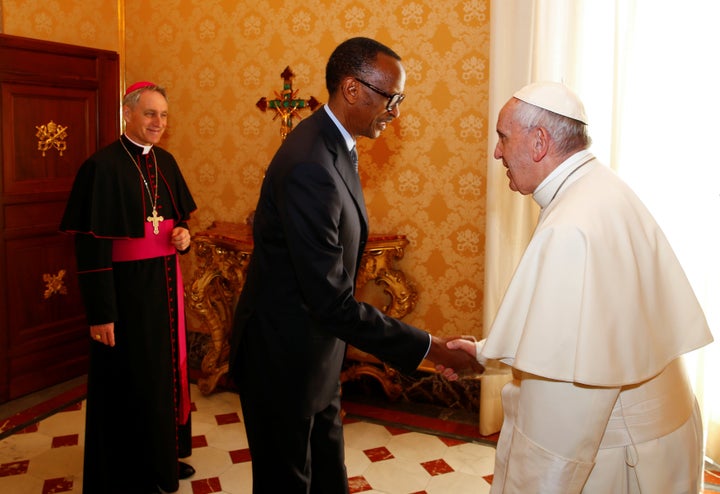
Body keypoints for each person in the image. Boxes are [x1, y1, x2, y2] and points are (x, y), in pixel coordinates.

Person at [229, 37, 483, 494]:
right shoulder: (310, 162)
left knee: (327, 474)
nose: (396, 112)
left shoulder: (334, 144)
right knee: (288, 482)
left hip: (316, 353)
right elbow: (331, 300)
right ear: (352, 88)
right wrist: (430, 348)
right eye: (392, 98)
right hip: (282, 360)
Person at [445, 81, 714, 493]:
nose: (497, 152)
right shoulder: (596, 188)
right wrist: (485, 354)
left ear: (539, 142)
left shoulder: (572, 226)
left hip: (618, 460)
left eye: (503, 138)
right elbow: (589, 337)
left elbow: (563, 415)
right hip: (658, 437)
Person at [60, 82, 198, 494]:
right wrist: (101, 312)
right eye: (150, 114)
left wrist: (183, 237)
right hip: (123, 293)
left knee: (164, 372)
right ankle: (127, 468)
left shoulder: (167, 163)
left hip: (165, 285)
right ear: (128, 114)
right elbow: (90, 245)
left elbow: (180, 220)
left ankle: (162, 459)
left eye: (164, 115)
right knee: (131, 377)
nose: (158, 122)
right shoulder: (101, 167)